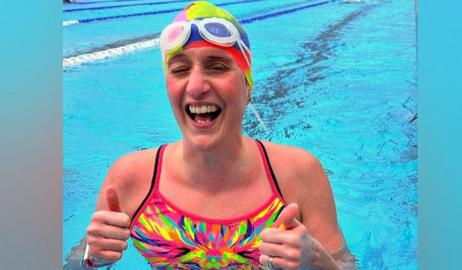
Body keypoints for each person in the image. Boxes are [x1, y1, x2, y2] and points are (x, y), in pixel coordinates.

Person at [76, 1, 357, 269]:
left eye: (217, 66)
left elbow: (345, 265)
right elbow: (76, 263)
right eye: (180, 70)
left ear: (248, 89)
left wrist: (318, 263)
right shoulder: (129, 178)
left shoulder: (299, 173)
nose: (196, 86)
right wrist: (92, 258)